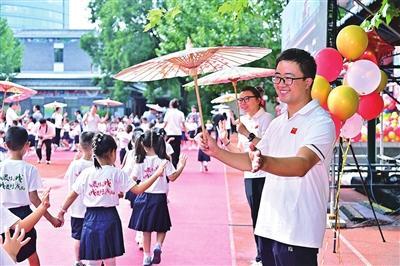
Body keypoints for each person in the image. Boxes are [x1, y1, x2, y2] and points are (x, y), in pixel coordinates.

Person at [198, 48, 336, 265]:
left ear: (308, 81)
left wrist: (262, 161)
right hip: (268, 226)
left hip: (297, 231)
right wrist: (216, 151)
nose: (281, 84)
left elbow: (301, 164)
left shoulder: (320, 121)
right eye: (278, 77)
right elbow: (252, 160)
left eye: (289, 78)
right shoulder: (278, 123)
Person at [57, 133, 167, 266]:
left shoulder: (86, 173)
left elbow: (72, 194)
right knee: (110, 258)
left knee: (93, 257)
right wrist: (156, 174)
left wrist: (62, 211)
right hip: (110, 217)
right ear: (112, 152)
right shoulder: (116, 173)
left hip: (90, 218)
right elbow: (138, 190)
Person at [219, 86, 273, 264]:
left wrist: (246, 133)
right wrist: (226, 141)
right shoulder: (243, 121)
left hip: (266, 175)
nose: (242, 103)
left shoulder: (267, 119)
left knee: (266, 217)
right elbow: (240, 152)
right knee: (255, 216)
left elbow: (266, 147)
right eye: (240, 100)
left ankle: (266, 256)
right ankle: (261, 254)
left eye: (246, 99)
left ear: (258, 99)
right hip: (249, 176)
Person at [0, 126, 61, 265]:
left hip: (3, 217)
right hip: (25, 215)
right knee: (31, 253)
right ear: (27, 145)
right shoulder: (29, 169)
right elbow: (34, 199)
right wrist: (51, 219)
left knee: (6, 253)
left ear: (5, 145)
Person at [129, 129, 187, 266]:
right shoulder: (164, 160)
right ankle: (158, 246)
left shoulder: (139, 161)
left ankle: (146, 256)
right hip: (159, 197)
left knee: (146, 229)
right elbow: (172, 177)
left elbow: (132, 178)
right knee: (162, 226)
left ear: (143, 144)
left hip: (143, 196)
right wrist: (181, 166)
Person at [63, 131, 95, 266]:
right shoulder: (97, 164)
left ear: (80, 146)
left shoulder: (75, 164)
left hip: (76, 207)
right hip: (93, 208)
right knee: (93, 236)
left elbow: (69, 181)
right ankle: (92, 260)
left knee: (78, 236)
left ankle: (78, 260)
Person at [163, 98, 186, 168]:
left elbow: (165, 123)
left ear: (171, 105)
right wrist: (185, 130)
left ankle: (170, 164)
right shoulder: (180, 113)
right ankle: (175, 163)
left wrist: (162, 129)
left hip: (169, 133)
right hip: (178, 133)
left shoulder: (168, 113)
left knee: (169, 149)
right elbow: (183, 124)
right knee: (177, 149)